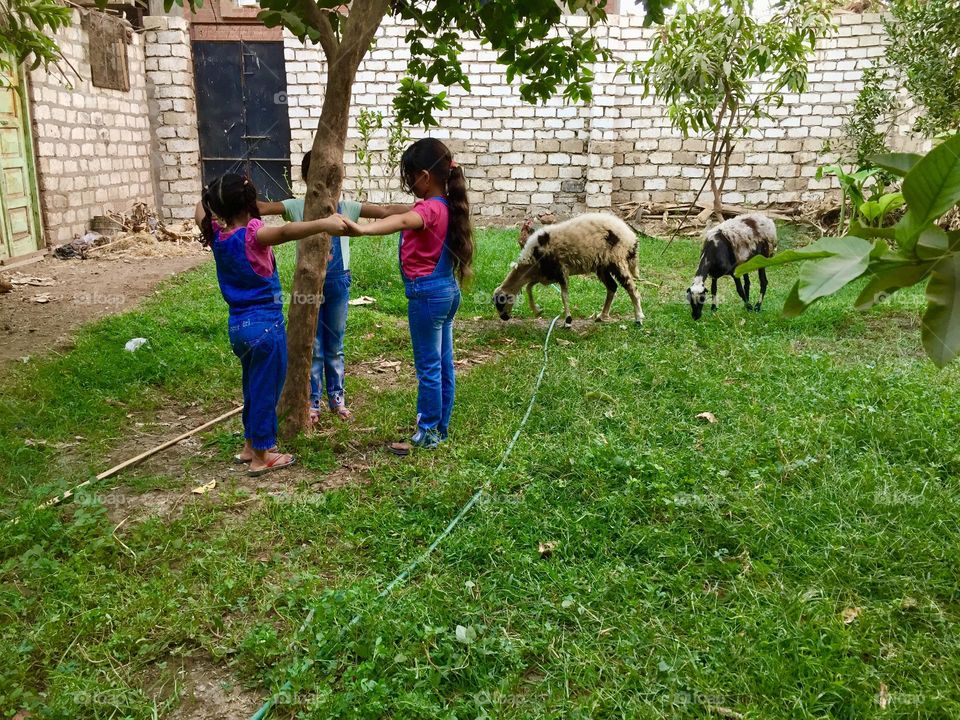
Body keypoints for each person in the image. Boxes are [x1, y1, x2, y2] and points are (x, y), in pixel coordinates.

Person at [195, 173, 347, 476]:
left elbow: (200, 209)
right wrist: (324, 224)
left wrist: (212, 194)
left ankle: (250, 445)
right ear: (249, 203)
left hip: (238, 328)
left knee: (253, 387)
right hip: (265, 327)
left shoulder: (216, 235)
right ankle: (262, 455)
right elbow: (288, 231)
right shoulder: (253, 234)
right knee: (266, 391)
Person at [339, 138, 474, 454]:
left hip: (426, 297)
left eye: (411, 176)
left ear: (425, 176)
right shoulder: (447, 206)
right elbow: (393, 211)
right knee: (443, 364)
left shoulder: (427, 210)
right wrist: (356, 212)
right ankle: (440, 427)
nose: (409, 183)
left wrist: (362, 231)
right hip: (446, 293)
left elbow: (401, 220)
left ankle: (428, 431)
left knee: (429, 367)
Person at [259, 151, 410, 423]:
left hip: (338, 281)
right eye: (321, 180)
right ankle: (313, 401)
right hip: (308, 281)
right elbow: (264, 208)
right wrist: (231, 201)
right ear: (307, 179)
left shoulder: (347, 207)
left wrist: (423, 208)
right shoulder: (297, 206)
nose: (327, 187)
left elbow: (385, 212)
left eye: (332, 181)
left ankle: (337, 398)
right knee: (313, 343)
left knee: (335, 343)